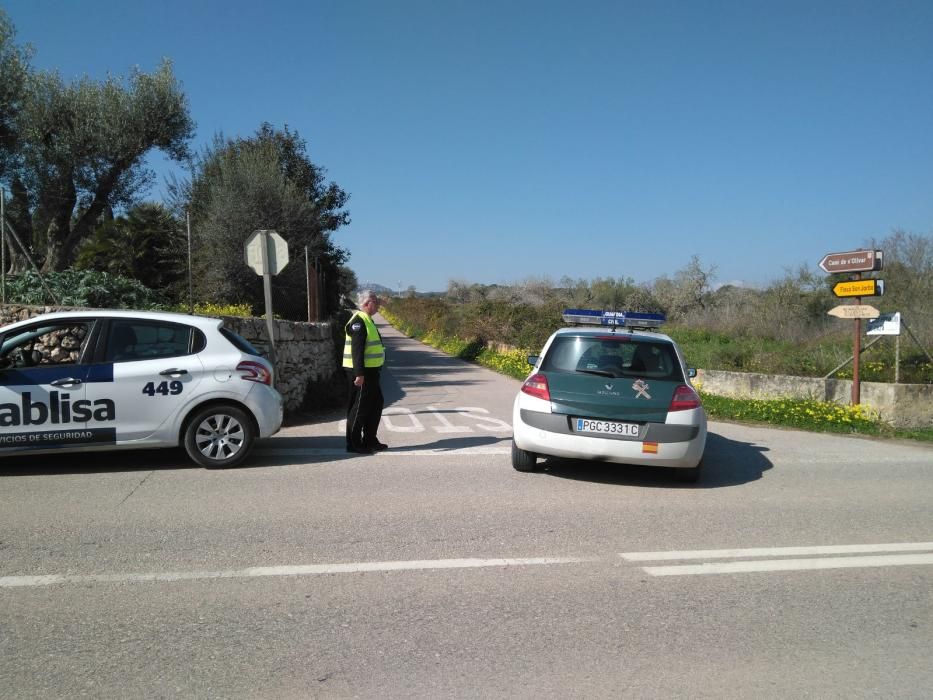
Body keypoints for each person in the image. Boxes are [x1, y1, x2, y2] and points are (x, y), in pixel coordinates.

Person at [343, 290, 388, 454]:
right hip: (362, 373)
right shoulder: (359, 322)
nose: (378, 305)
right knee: (359, 408)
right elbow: (357, 350)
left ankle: (370, 439)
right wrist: (359, 374)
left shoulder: (367, 319)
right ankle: (354, 443)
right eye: (375, 302)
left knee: (376, 404)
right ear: (367, 304)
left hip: (371, 372)